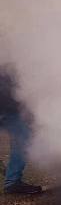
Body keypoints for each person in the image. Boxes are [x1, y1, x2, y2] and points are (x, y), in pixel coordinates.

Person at [0, 66, 42, 194]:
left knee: (21, 137)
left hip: (7, 106)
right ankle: (12, 182)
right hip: (8, 107)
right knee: (23, 138)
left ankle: (12, 178)